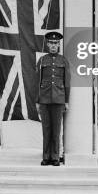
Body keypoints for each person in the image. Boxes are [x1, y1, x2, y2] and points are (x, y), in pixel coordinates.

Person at [36, 31, 70, 166]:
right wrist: (37, 100)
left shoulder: (63, 60)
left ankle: (55, 157)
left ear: (59, 44)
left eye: (56, 43)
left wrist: (66, 100)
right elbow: (37, 82)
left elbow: (67, 82)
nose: (54, 45)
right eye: (51, 43)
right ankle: (46, 157)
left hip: (59, 99)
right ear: (47, 44)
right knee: (46, 129)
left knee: (56, 130)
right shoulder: (42, 60)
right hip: (44, 99)